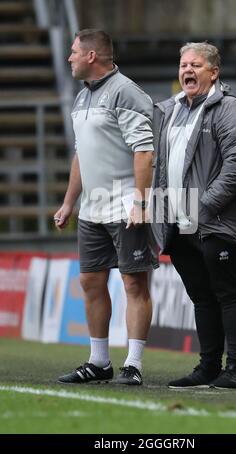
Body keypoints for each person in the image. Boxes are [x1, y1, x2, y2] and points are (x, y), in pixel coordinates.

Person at [55, 29, 158, 386]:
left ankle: (133, 364)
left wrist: (141, 202)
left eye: (73, 52)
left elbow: (144, 150)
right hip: (92, 209)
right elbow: (82, 154)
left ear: (91, 56)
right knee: (90, 282)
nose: (69, 58)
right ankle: (99, 361)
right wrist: (70, 202)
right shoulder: (82, 98)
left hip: (126, 204)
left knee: (133, 284)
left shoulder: (125, 92)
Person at [151, 42, 236, 389]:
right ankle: (209, 366)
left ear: (214, 72)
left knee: (229, 293)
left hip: (217, 221)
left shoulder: (230, 110)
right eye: (183, 65)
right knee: (201, 296)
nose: (187, 70)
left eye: (195, 64)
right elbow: (161, 166)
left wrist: (205, 205)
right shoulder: (170, 110)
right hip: (180, 223)